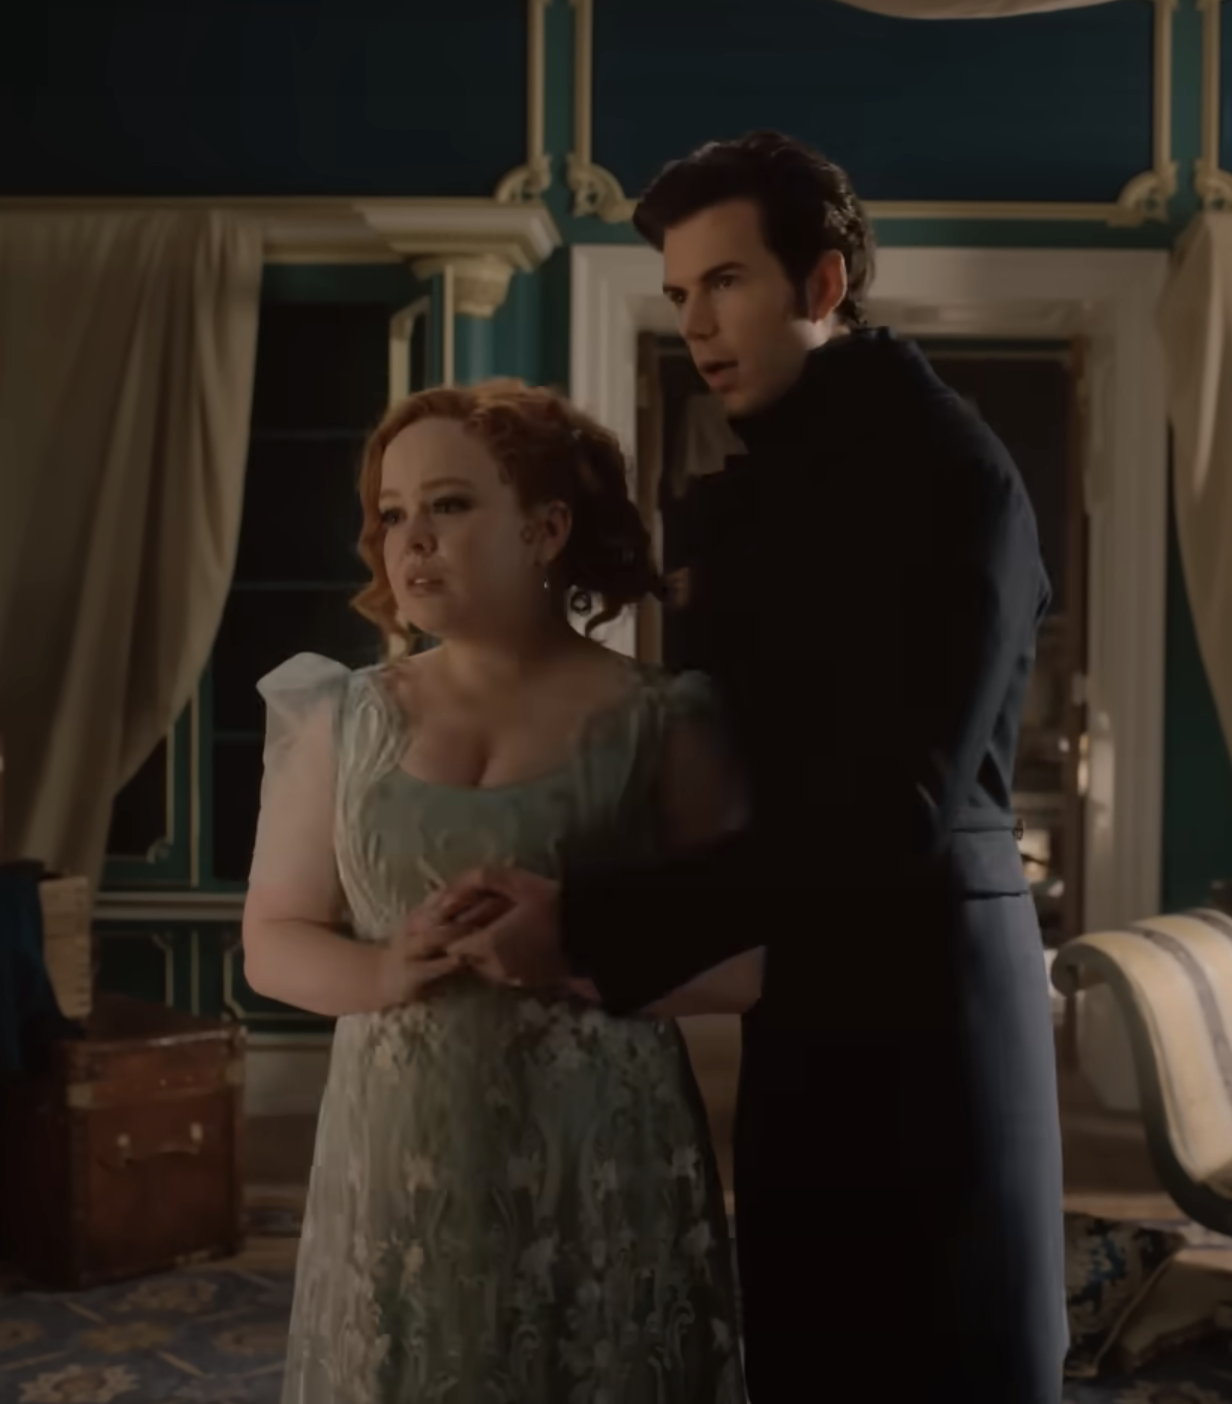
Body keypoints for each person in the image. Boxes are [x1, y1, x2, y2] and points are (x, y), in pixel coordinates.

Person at [442, 131, 1068, 1400]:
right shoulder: (785, 472)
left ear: (822, 284)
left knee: (940, 1363)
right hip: (811, 983)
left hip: (927, 1008)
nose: (695, 324)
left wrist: (592, 923)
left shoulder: (945, 470)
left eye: (724, 282)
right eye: (679, 294)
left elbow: (890, 811)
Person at [240, 379, 762, 1404]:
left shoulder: (665, 719)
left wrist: (579, 957)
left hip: (601, 1167)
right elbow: (272, 939)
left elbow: (747, 962)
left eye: (449, 504)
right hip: (397, 1170)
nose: (412, 539)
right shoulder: (338, 716)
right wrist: (385, 970)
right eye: (393, 514)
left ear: (545, 529)